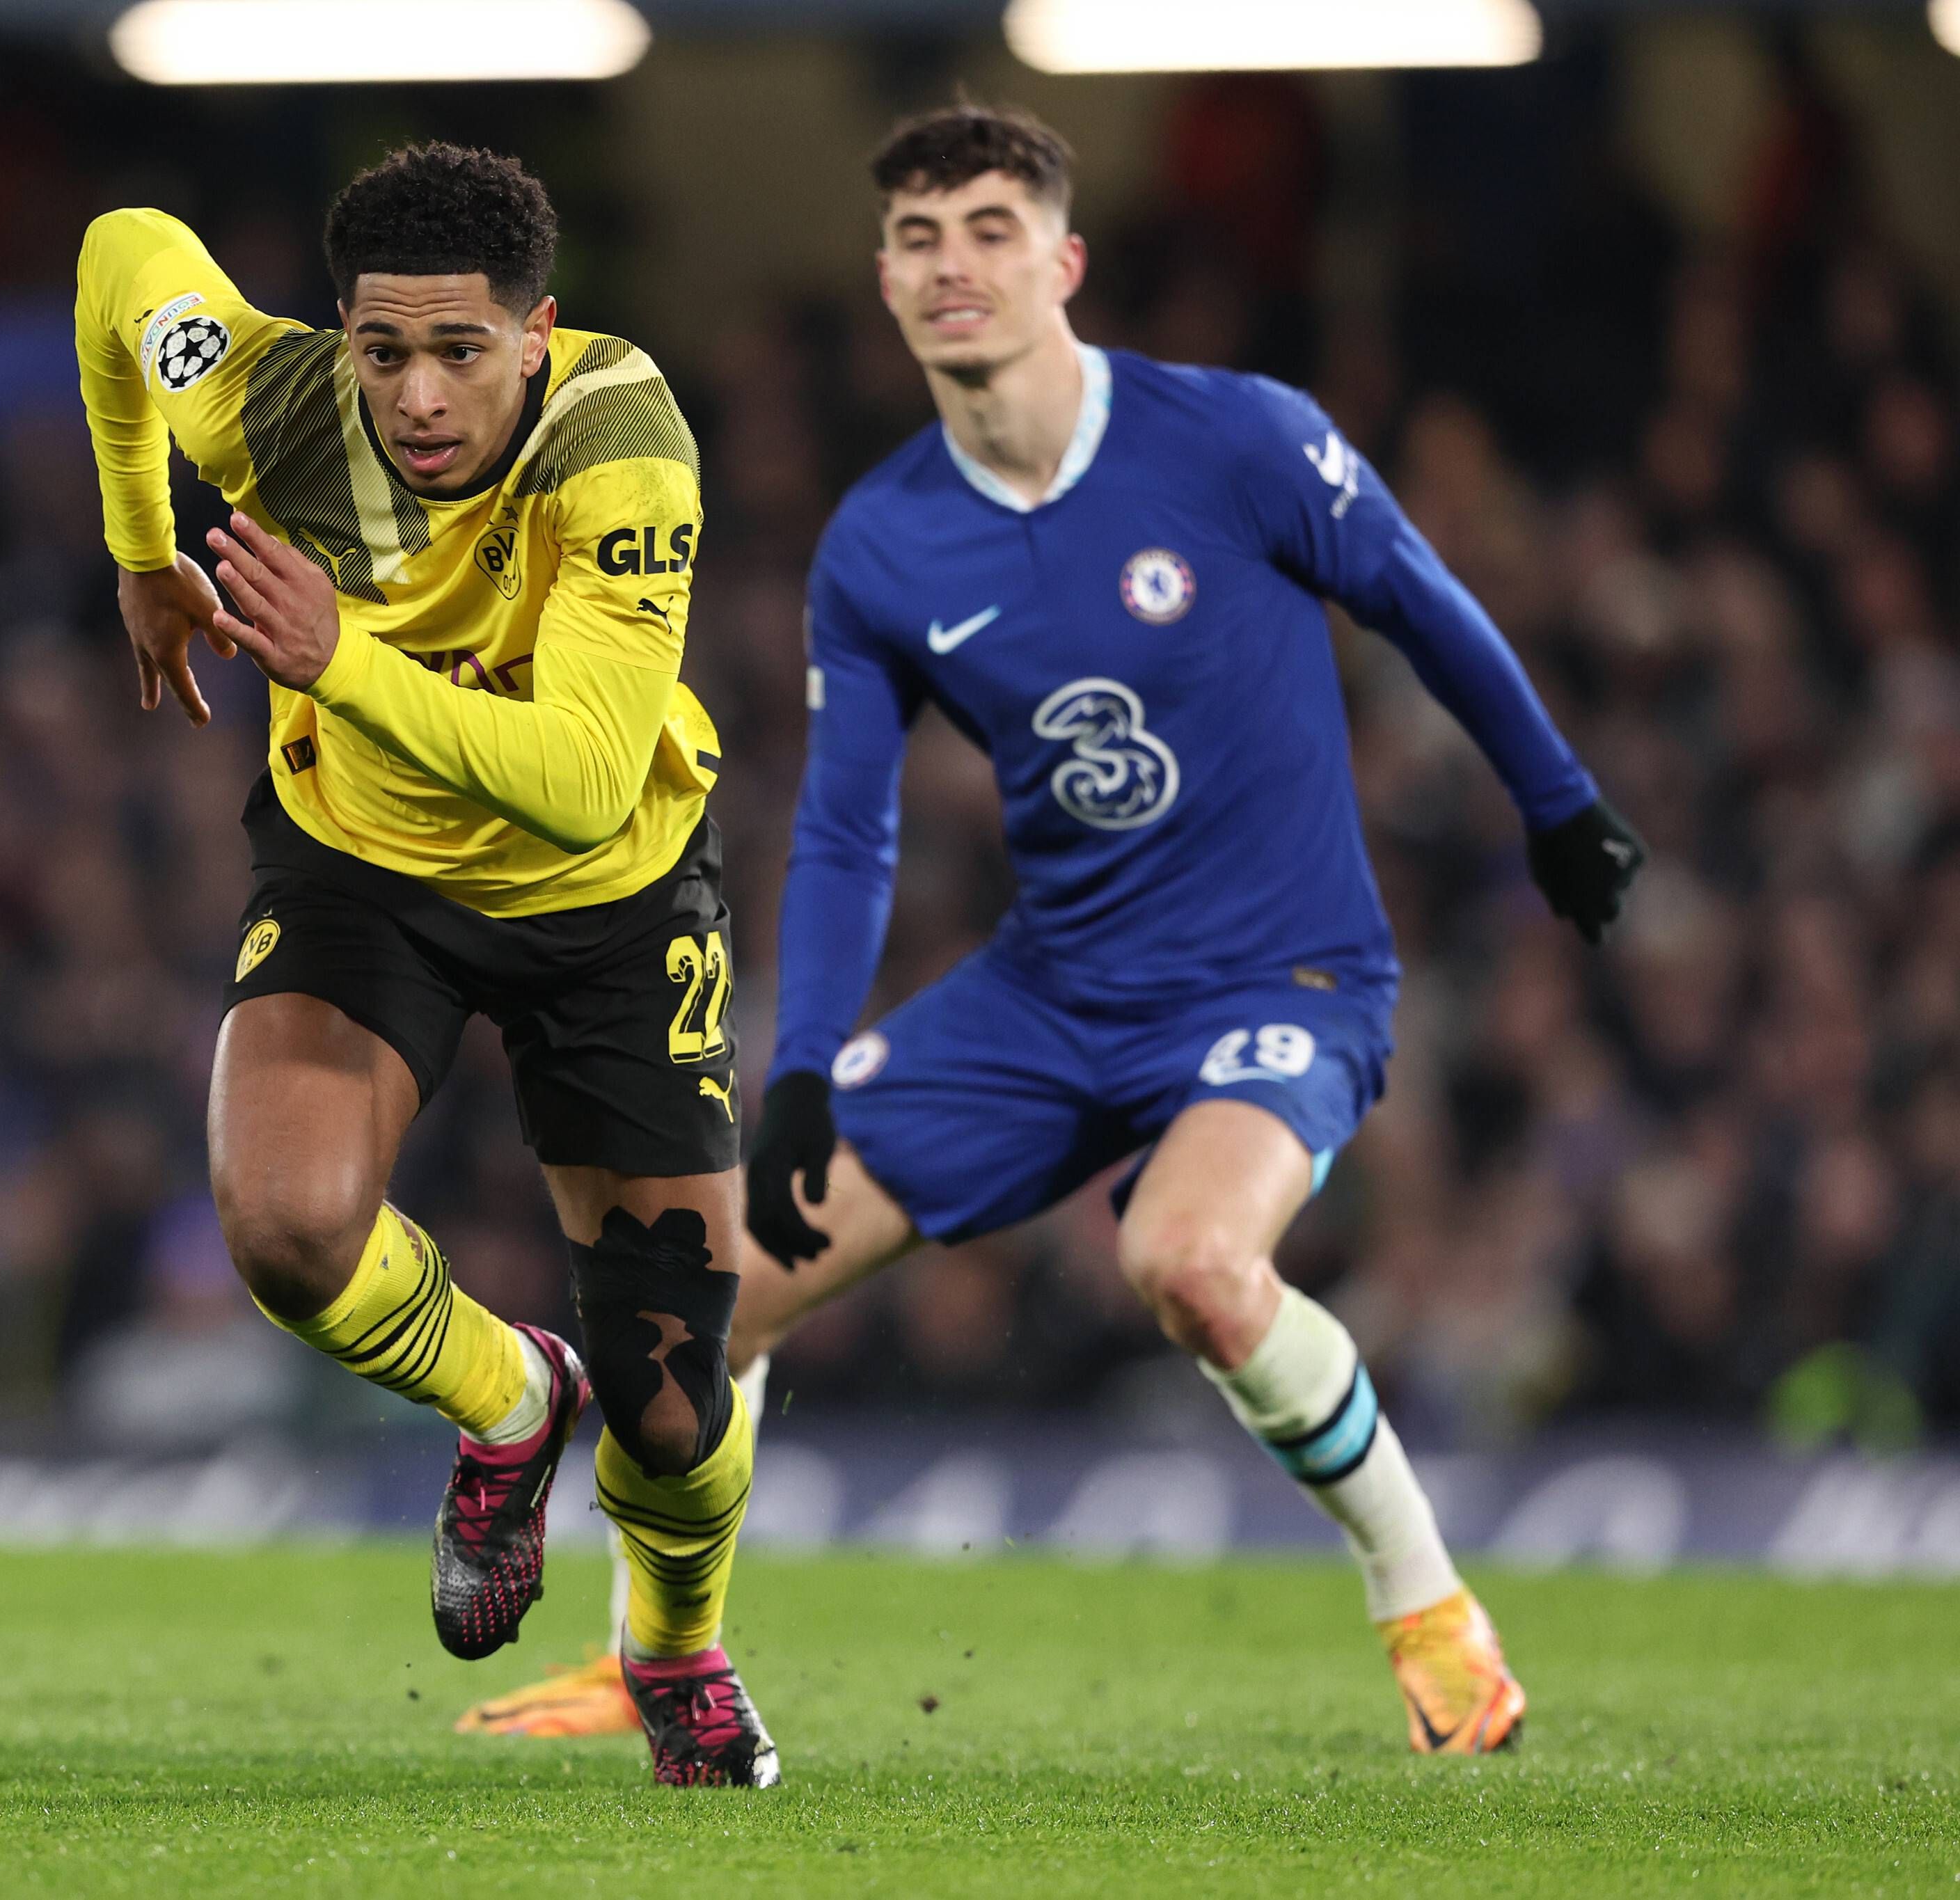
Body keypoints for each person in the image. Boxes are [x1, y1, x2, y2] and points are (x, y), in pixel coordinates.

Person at [457, 104, 1644, 1755]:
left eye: (989, 231)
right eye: (918, 239)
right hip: (1047, 995)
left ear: (1062, 261)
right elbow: (849, 825)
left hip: (1278, 975)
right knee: (708, 1288)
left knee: (1190, 1265)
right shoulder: (883, 543)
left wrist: (1557, 803)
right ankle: (652, 1656)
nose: (952, 265)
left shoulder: (1236, 440)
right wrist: (798, 1067)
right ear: (885, 280)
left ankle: (1427, 1606)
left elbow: (1419, 605)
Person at [75, 143, 777, 1785]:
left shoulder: (620, 447)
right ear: (340, 334)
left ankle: (672, 1648)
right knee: (284, 1226)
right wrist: (141, 547)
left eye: (459, 350)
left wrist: (342, 660)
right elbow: (121, 253)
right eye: (381, 350)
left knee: (674, 1406)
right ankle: (508, 1396)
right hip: (364, 874)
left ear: (536, 332)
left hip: (607, 897)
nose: (416, 395)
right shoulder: (264, 401)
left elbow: (582, 779)